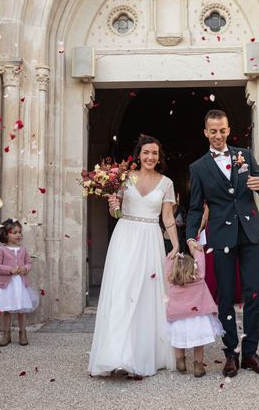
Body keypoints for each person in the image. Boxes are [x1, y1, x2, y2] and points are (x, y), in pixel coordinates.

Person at [186, 109, 259, 378]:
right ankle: (230, 353)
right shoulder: (198, 168)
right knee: (225, 296)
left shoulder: (244, 155)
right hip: (221, 236)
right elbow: (194, 208)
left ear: (228, 129)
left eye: (222, 130)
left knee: (254, 291)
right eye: (213, 131)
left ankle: (249, 353)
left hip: (250, 233)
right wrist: (191, 237)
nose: (218, 135)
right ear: (205, 132)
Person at [88, 135, 179, 377]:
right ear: (138, 154)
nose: (150, 157)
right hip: (125, 236)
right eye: (146, 152)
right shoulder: (123, 178)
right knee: (122, 292)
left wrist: (177, 245)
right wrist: (112, 204)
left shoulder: (166, 183)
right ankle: (117, 356)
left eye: (155, 153)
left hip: (150, 237)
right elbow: (117, 214)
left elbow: (167, 217)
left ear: (159, 157)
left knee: (146, 296)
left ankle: (142, 354)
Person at [165, 245, 223, 377]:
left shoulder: (172, 280)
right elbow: (201, 260)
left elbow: (168, 265)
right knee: (199, 343)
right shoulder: (199, 277)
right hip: (198, 319)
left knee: (178, 341)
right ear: (194, 267)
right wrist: (196, 249)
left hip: (178, 319)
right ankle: (198, 366)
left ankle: (180, 362)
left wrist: (171, 254)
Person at [0, 219, 39, 346]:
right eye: (14, 232)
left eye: (19, 232)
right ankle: (6, 334)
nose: (18, 235)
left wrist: (25, 268)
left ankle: (23, 333)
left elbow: (29, 263)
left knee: (21, 309)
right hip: (8, 286)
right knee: (6, 309)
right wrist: (9, 270)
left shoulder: (22, 249)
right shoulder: (2, 250)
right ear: (6, 234)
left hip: (20, 285)